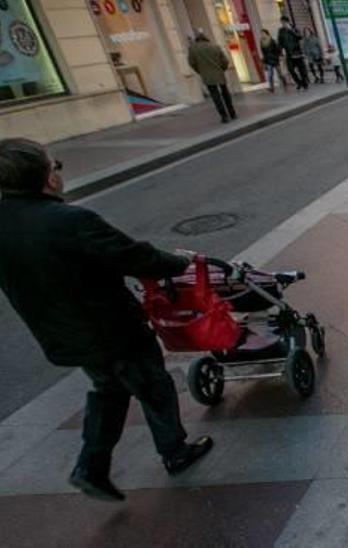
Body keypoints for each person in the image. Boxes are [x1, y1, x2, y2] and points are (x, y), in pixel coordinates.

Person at [0, 139, 215, 502]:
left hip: (61, 334)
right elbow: (132, 257)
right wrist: (180, 263)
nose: (59, 172)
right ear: (47, 178)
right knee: (153, 384)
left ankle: (91, 466)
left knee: (109, 389)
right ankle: (174, 451)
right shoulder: (70, 221)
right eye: (57, 165)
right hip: (111, 329)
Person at [186, 32, 236, 123]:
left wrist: (200, 71)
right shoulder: (215, 46)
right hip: (219, 72)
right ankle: (232, 113)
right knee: (225, 93)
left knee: (215, 95)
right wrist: (222, 69)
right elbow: (225, 61)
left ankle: (224, 116)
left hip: (207, 75)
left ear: (197, 40)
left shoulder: (193, 49)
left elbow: (191, 63)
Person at [278, 17, 309, 90]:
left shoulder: (294, 28)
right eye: (282, 22)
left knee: (302, 70)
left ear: (288, 22)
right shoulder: (281, 31)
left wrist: (290, 30)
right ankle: (299, 82)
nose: (283, 24)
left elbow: (300, 37)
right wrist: (280, 52)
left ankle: (304, 83)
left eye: (284, 22)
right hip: (289, 53)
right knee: (290, 69)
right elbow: (280, 42)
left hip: (297, 52)